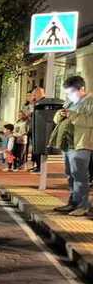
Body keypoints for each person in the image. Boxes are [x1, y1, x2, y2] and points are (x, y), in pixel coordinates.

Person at [58, 76, 93, 216]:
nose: (68, 95)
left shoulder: (90, 102)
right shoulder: (69, 102)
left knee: (80, 176)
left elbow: (90, 121)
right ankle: (72, 202)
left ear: (81, 89)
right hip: (68, 144)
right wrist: (59, 115)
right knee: (70, 175)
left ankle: (83, 205)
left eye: (71, 92)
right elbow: (58, 120)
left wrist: (72, 115)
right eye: (67, 92)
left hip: (81, 144)